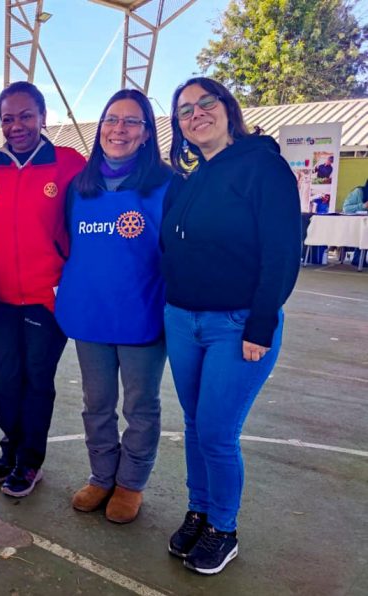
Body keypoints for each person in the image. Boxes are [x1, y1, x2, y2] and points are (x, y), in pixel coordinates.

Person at [161, 77, 300, 575]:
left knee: (218, 432)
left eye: (205, 104)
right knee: (196, 426)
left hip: (237, 325)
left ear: (227, 108)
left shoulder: (264, 167)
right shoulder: (194, 176)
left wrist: (261, 324)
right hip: (182, 320)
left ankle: (224, 527)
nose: (195, 115)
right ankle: (199, 511)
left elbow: (283, 253)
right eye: (184, 112)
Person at [55, 89, 170, 521]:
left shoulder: (166, 185)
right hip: (89, 314)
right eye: (111, 120)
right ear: (99, 127)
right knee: (96, 403)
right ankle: (102, 476)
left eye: (131, 121)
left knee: (140, 406)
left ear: (146, 134)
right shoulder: (79, 188)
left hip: (142, 314)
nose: (118, 129)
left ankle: (130, 484)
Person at [0, 82, 86, 498]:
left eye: (25, 116)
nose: (16, 125)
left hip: (47, 297)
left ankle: (29, 461)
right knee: (1, 379)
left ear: (43, 117)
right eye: (7, 118)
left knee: (37, 380)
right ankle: (12, 446)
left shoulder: (70, 164)